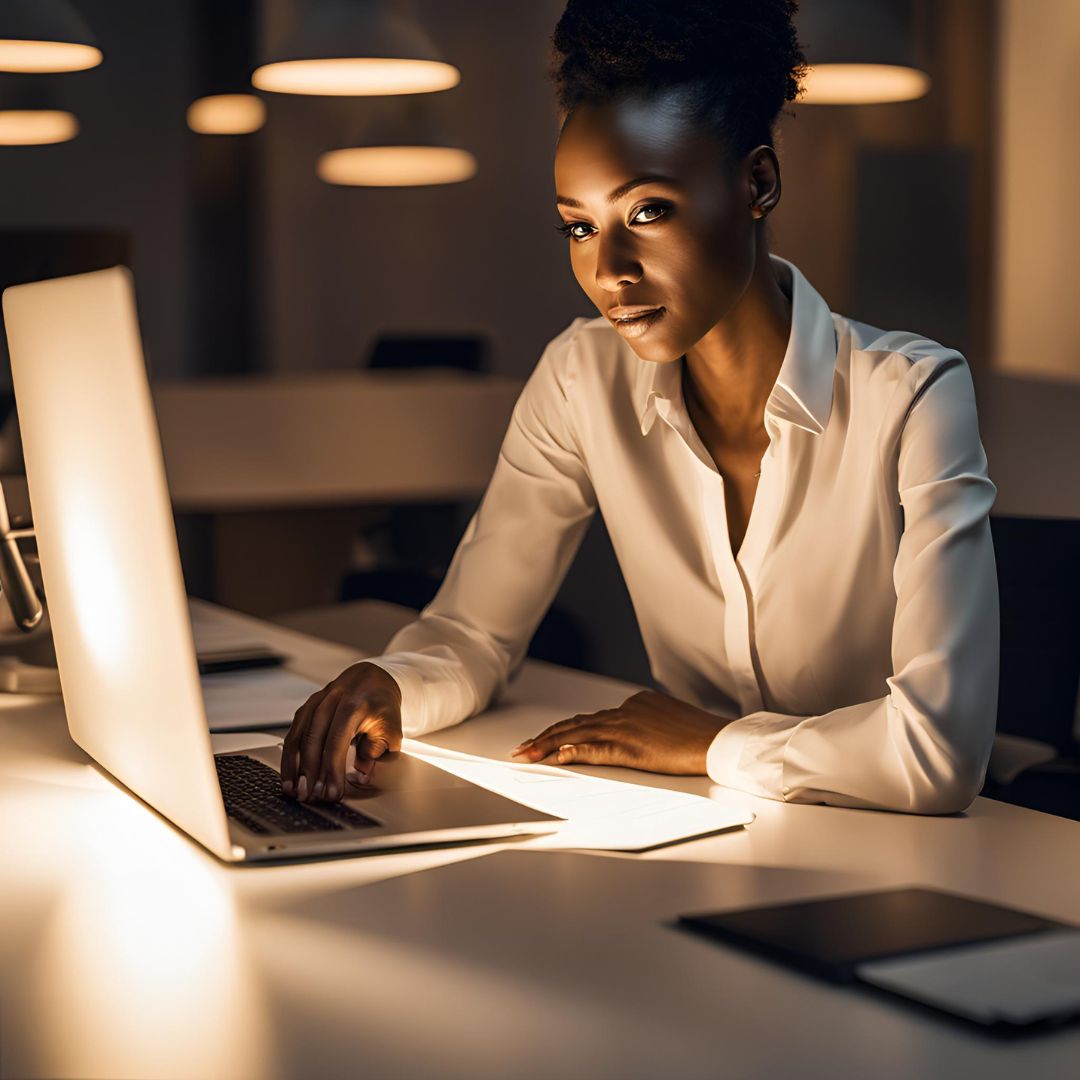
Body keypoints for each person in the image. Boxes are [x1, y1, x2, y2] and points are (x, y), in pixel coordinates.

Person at [280, 0, 999, 815]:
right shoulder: (581, 378)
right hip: (705, 825)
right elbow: (474, 635)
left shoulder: (913, 396)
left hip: (906, 851)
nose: (608, 270)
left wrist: (712, 744)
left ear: (757, 182)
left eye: (648, 211)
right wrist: (395, 685)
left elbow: (939, 751)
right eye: (578, 228)